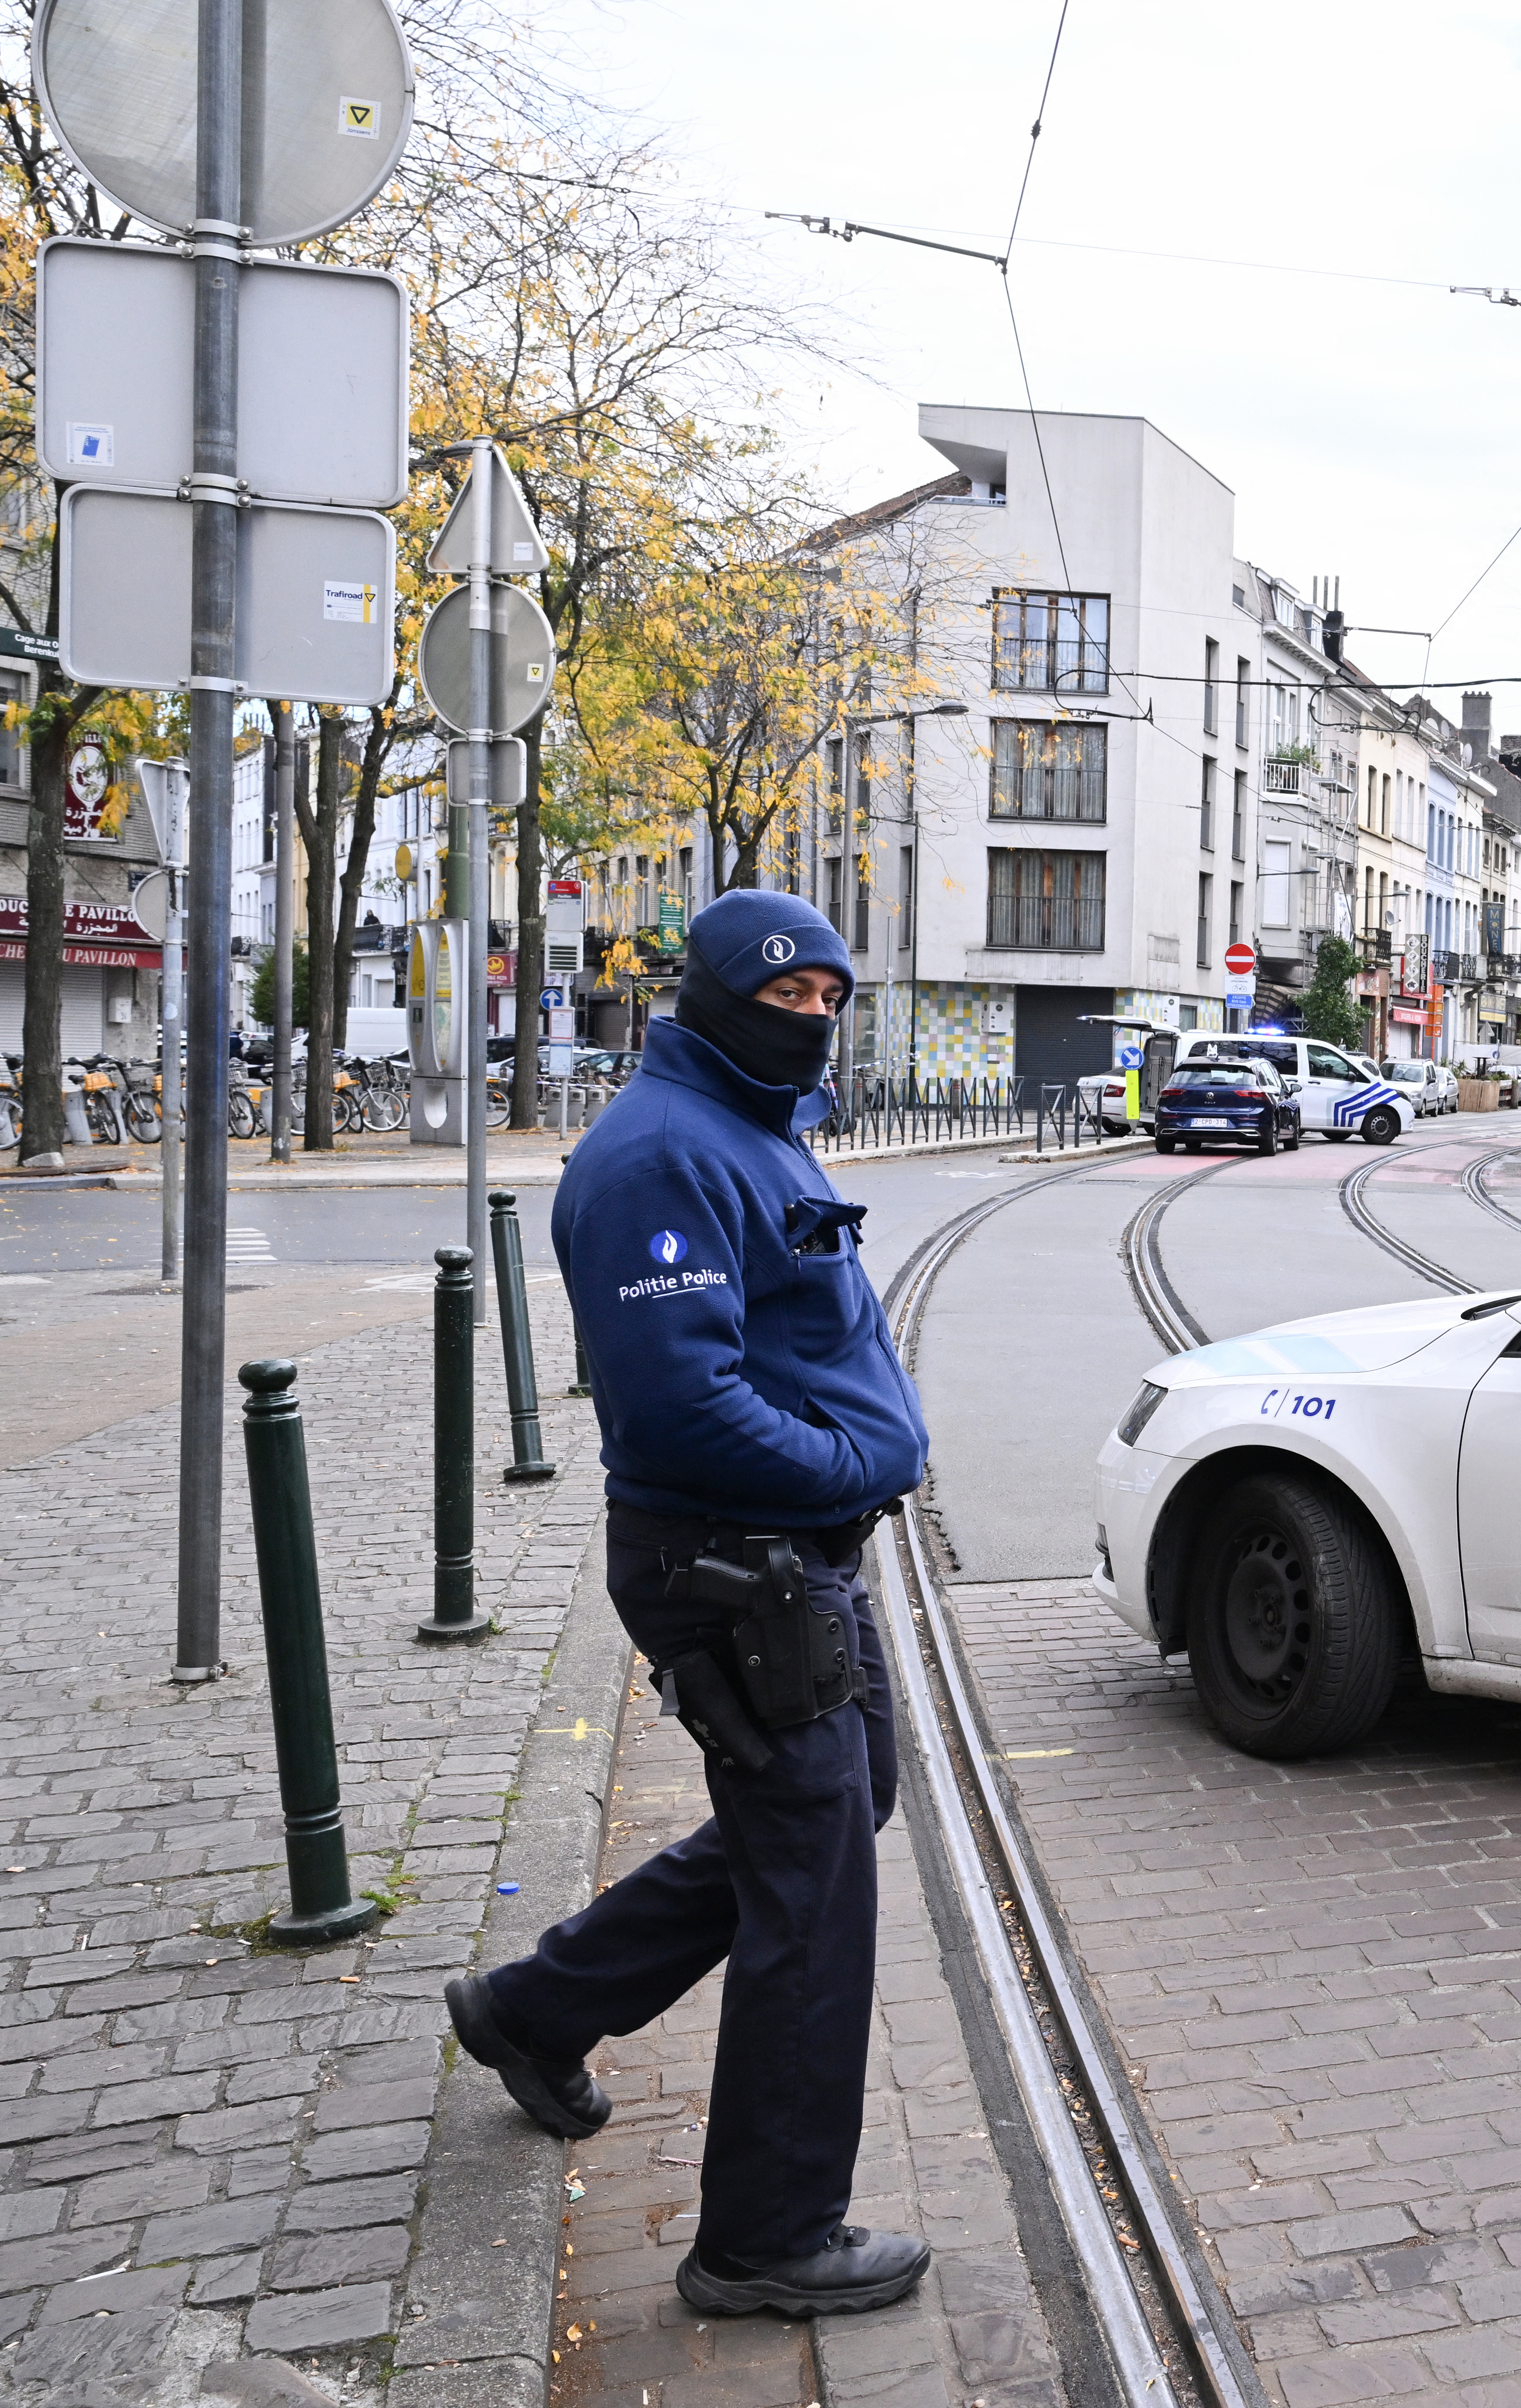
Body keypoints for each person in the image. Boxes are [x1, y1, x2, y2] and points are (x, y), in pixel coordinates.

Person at [444, 891, 934, 2321]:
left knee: (838, 1812)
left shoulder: (747, 1123)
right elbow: (680, 1402)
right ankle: (766, 2237)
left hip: (791, 1563)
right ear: (713, 993)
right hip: (740, 1565)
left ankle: (536, 2007)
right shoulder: (659, 1155)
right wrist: (859, 1458)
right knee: (814, 1887)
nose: (816, 1019)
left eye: (836, 998)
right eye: (790, 997)